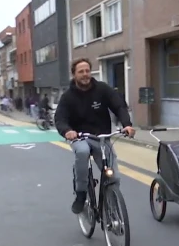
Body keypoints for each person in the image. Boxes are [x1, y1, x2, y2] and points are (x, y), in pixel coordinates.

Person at [55, 58, 135, 214]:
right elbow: (60, 119)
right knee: (83, 152)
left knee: (113, 177)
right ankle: (81, 193)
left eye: (87, 71)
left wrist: (127, 124)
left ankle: (112, 209)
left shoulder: (102, 89)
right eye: (81, 72)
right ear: (74, 75)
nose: (85, 74)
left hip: (102, 137)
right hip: (80, 137)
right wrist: (67, 131)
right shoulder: (68, 97)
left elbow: (119, 106)